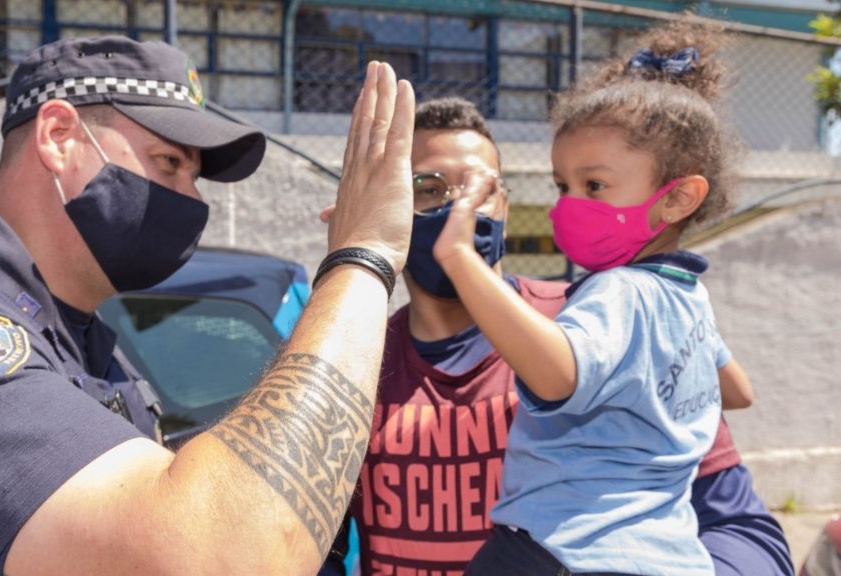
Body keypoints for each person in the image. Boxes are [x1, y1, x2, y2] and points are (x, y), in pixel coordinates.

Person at [0, 36, 417, 575]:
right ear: (58, 137)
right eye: (169, 163)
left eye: (195, 175)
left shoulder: (78, 334)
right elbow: (220, 558)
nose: (191, 198)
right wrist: (363, 258)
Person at [320, 97, 794, 576]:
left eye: (478, 189)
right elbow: (308, 548)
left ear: (502, 201)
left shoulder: (601, 323)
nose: (459, 206)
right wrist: (355, 267)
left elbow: (741, 527)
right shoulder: (347, 365)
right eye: (430, 187)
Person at [432, 23, 755, 575]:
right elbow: (737, 390)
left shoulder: (620, 290)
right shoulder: (687, 296)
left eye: (595, 186)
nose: (569, 204)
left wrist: (461, 260)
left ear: (677, 198)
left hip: (562, 549)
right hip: (664, 556)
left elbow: (559, 374)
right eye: (562, 186)